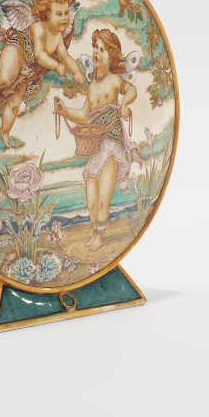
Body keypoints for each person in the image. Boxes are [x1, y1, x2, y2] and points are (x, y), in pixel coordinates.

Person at [54, 29, 141, 251]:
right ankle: (95, 231)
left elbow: (132, 90)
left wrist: (124, 104)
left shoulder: (114, 80)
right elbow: (84, 116)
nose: (96, 52)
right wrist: (64, 111)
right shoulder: (91, 85)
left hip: (111, 143)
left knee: (103, 197)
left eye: (102, 49)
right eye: (95, 47)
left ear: (111, 56)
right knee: (91, 200)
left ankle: (99, 237)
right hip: (94, 146)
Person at [0, 0, 86, 149]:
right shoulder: (39, 28)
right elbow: (40, 56)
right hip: (16, 48)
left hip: (26, 67)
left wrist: (76, 71)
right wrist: (56, 65)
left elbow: (65, 56)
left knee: (15, 102)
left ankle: (4, 131)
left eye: (66, 13)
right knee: (8, 77)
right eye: (59, 14)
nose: (65, 18)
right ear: (47, 14)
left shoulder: (58, 37)